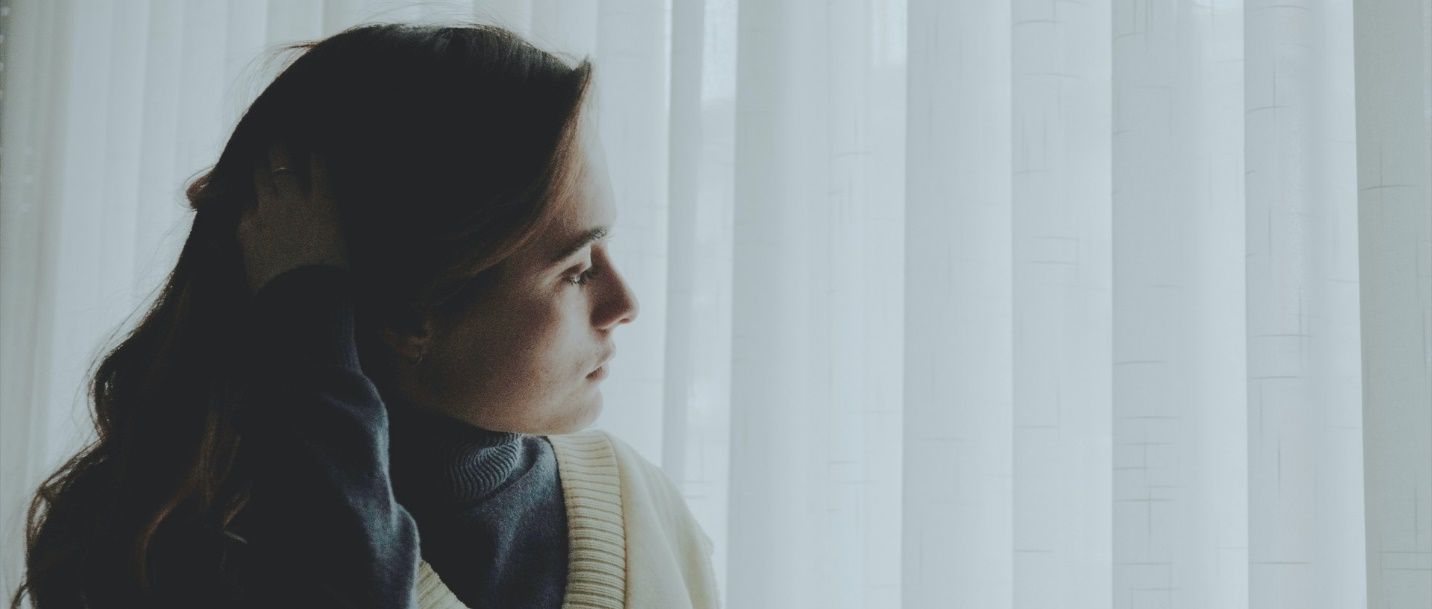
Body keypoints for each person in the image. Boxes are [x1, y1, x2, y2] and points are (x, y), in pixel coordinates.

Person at [10, 23, 718, 609]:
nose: (624, 304)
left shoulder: (638, 507)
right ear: (410, 316)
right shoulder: (196, 549)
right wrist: (312, 316)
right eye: (575, 269)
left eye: (603, 244)